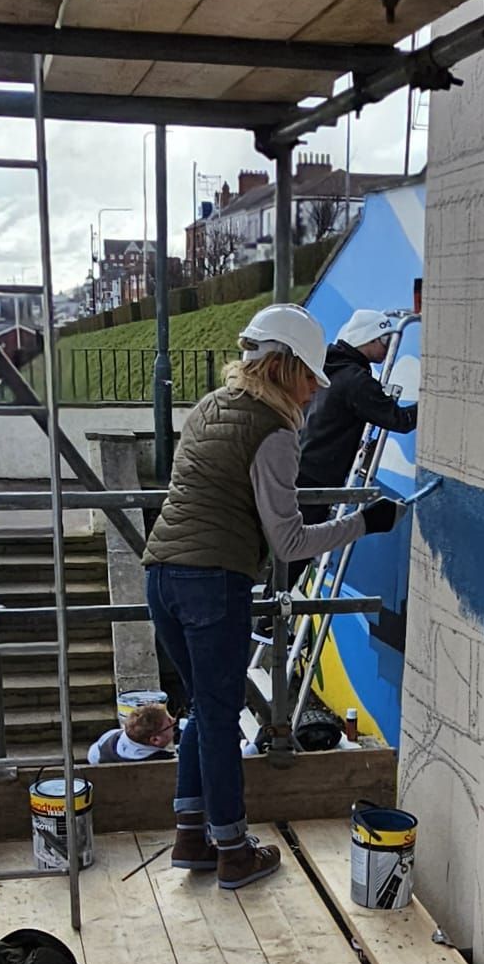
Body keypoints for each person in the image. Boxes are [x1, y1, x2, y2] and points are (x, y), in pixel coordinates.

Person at [143, 302, 404, 891]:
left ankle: (192, 834)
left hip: (161, 575)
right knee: (218, 713)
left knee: (203, 710)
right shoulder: (275, 432)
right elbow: (286, 540)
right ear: (284, 367)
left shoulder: (211, 406)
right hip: (213, 581)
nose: (316, 390)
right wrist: (365, 522)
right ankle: (233, 850)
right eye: (312, 376)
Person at [286, 308, 419, 590]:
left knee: (290, 546)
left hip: (298, 466)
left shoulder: (326, 370)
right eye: (382, 341)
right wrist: (436, 400)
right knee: (301, 548)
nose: (385, 348)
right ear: (366, 340)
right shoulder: (356, 380)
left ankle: (269, 609)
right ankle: (269, 618)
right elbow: (400, 420)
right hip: (320, 477)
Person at [87, 702, 177, 765]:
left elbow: (92, 755)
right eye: (170, 723)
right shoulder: (162, 762)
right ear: (155, 740)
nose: (174, 720)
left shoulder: (110, 737)